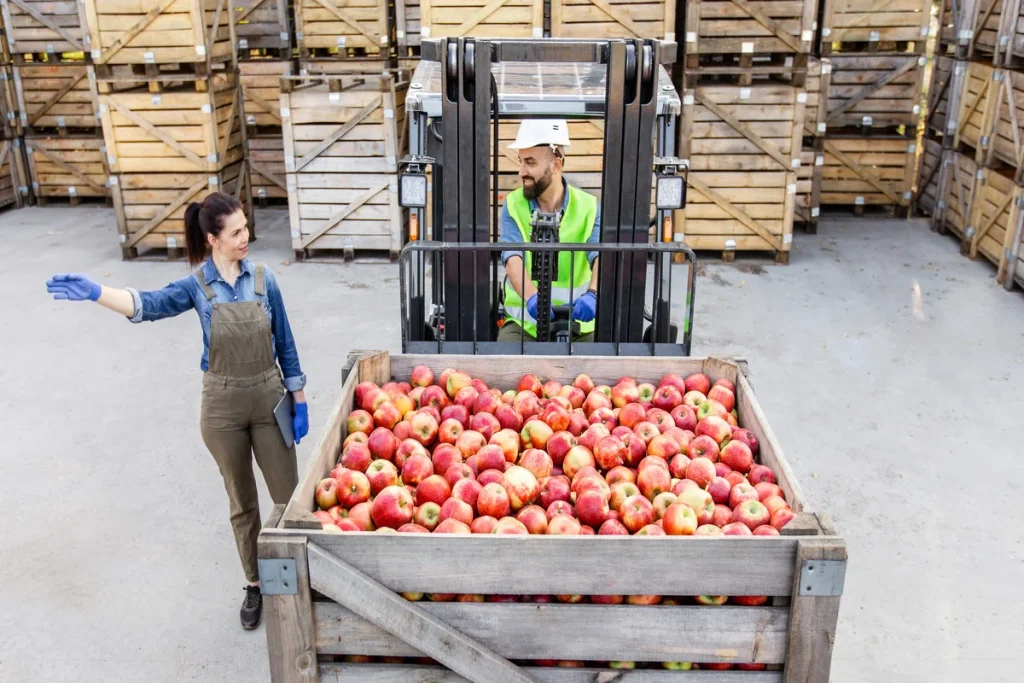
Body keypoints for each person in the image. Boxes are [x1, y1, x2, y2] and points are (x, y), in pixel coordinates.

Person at [45, 192, 308, 631]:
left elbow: (286, 343)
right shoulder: (196, 286)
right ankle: (254, 583)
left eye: (246, 227)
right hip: (222, 408)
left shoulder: (264, 280)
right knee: (242, 503)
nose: (247, 237)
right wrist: (96, 293)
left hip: (268, 396)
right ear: (213, 239)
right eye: (237, 232)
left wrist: (298, 401)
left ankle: (304, 576)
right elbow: (147, 305)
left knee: (289, 497)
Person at [498, 119, 601, 342]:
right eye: (521, 161)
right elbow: (512, 257)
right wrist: (531, 297)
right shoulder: (513, 204)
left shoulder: (589, 206)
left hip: (579, 324)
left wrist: (593, 294)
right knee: (504, 365)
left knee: (599, 369)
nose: (521, 171)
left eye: (530, 163)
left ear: (555, 165)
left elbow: (601, 257)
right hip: (525, 324)